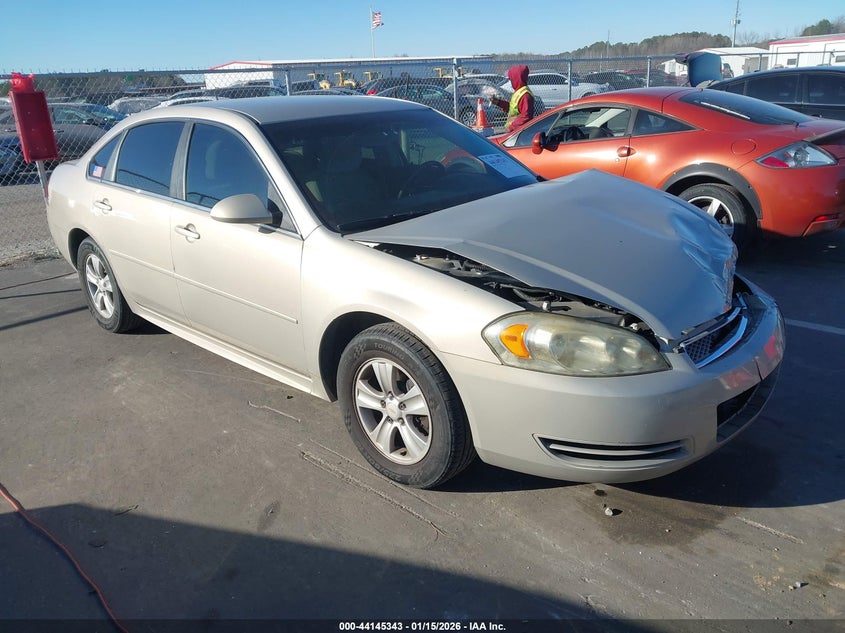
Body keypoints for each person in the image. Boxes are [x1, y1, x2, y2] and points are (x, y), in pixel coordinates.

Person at [484, 65, 535, 131]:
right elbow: (512, 109)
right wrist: (498, 102)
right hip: (515, 131)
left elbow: (526, 116)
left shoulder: (525, 95)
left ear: (516, 78)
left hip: (519, 132)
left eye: (511, 79)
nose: (511, 81)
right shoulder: (519, 92)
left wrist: (511, 127)